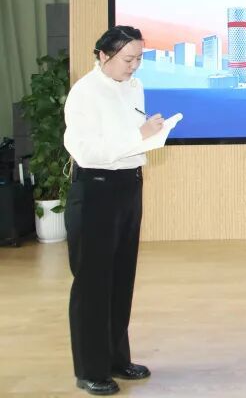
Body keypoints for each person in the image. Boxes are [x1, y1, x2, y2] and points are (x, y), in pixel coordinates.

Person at [63, 26, 164, 396]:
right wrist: (139, 136)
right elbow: (86, 151)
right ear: (103, 56)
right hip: (96, 189)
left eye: (139, 59)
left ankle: (117, 359)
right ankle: (90, 369)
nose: (134, 66)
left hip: (128, 186)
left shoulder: (134, 87)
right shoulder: (85, 93)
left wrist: (151, 134)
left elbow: (132, 138)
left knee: (121, 278)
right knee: (93, 283)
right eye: (127, 59)